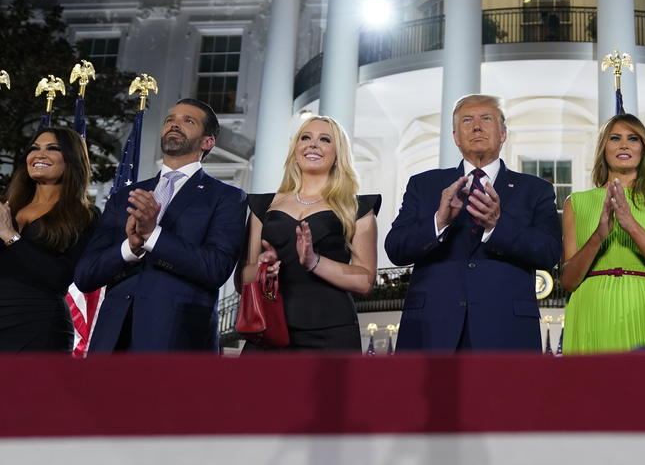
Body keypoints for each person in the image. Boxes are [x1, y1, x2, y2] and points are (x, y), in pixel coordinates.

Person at [385, 94, 561, 351]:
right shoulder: (423, 185)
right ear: (455, 136)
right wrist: (439, 222)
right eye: (467, 120)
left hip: (506, 331)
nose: (477, 126)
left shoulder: (536, 190)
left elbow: (549, 252)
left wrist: (497, 226)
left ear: (503, 133)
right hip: (432, 330)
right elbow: (396, 249)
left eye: (486, 119)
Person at [75, 99, 246, 352]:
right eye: (170, 119)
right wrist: (130, 248)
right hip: (113, 341)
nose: (175, 124)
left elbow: (216, 269)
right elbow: (85, 275)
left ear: (207, 142)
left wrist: (152, 235)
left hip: (178, 341)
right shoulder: (126, 196)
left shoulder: (227, 197)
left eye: (188, 121)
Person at [241, 116, 379, 351]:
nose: (313, 144)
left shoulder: (358, 208)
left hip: (331, 332)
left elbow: (365, 281)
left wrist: (314, 261)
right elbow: (242, 277)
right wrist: (262, 267)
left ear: (338, 154)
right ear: (296, 149)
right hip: (268, 328)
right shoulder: (262, 205)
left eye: (325, 139)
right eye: (305, 137)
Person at [560, 114, 645, 353]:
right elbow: (568, 281)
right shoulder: (575, 203)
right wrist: (599, 235)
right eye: (615, 138)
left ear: (643, 148)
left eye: (633, 138)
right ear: (603, 148)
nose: (624, 145)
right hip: (593, 312)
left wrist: (631, 225)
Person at [0, 128, 97, 352]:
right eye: (34, 148)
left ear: (72, 159)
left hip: (38, 329)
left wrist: (10, 235)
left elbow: (60, 278)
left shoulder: (85, 216)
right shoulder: (7, 207)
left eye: (52, 149)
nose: (39, 154)